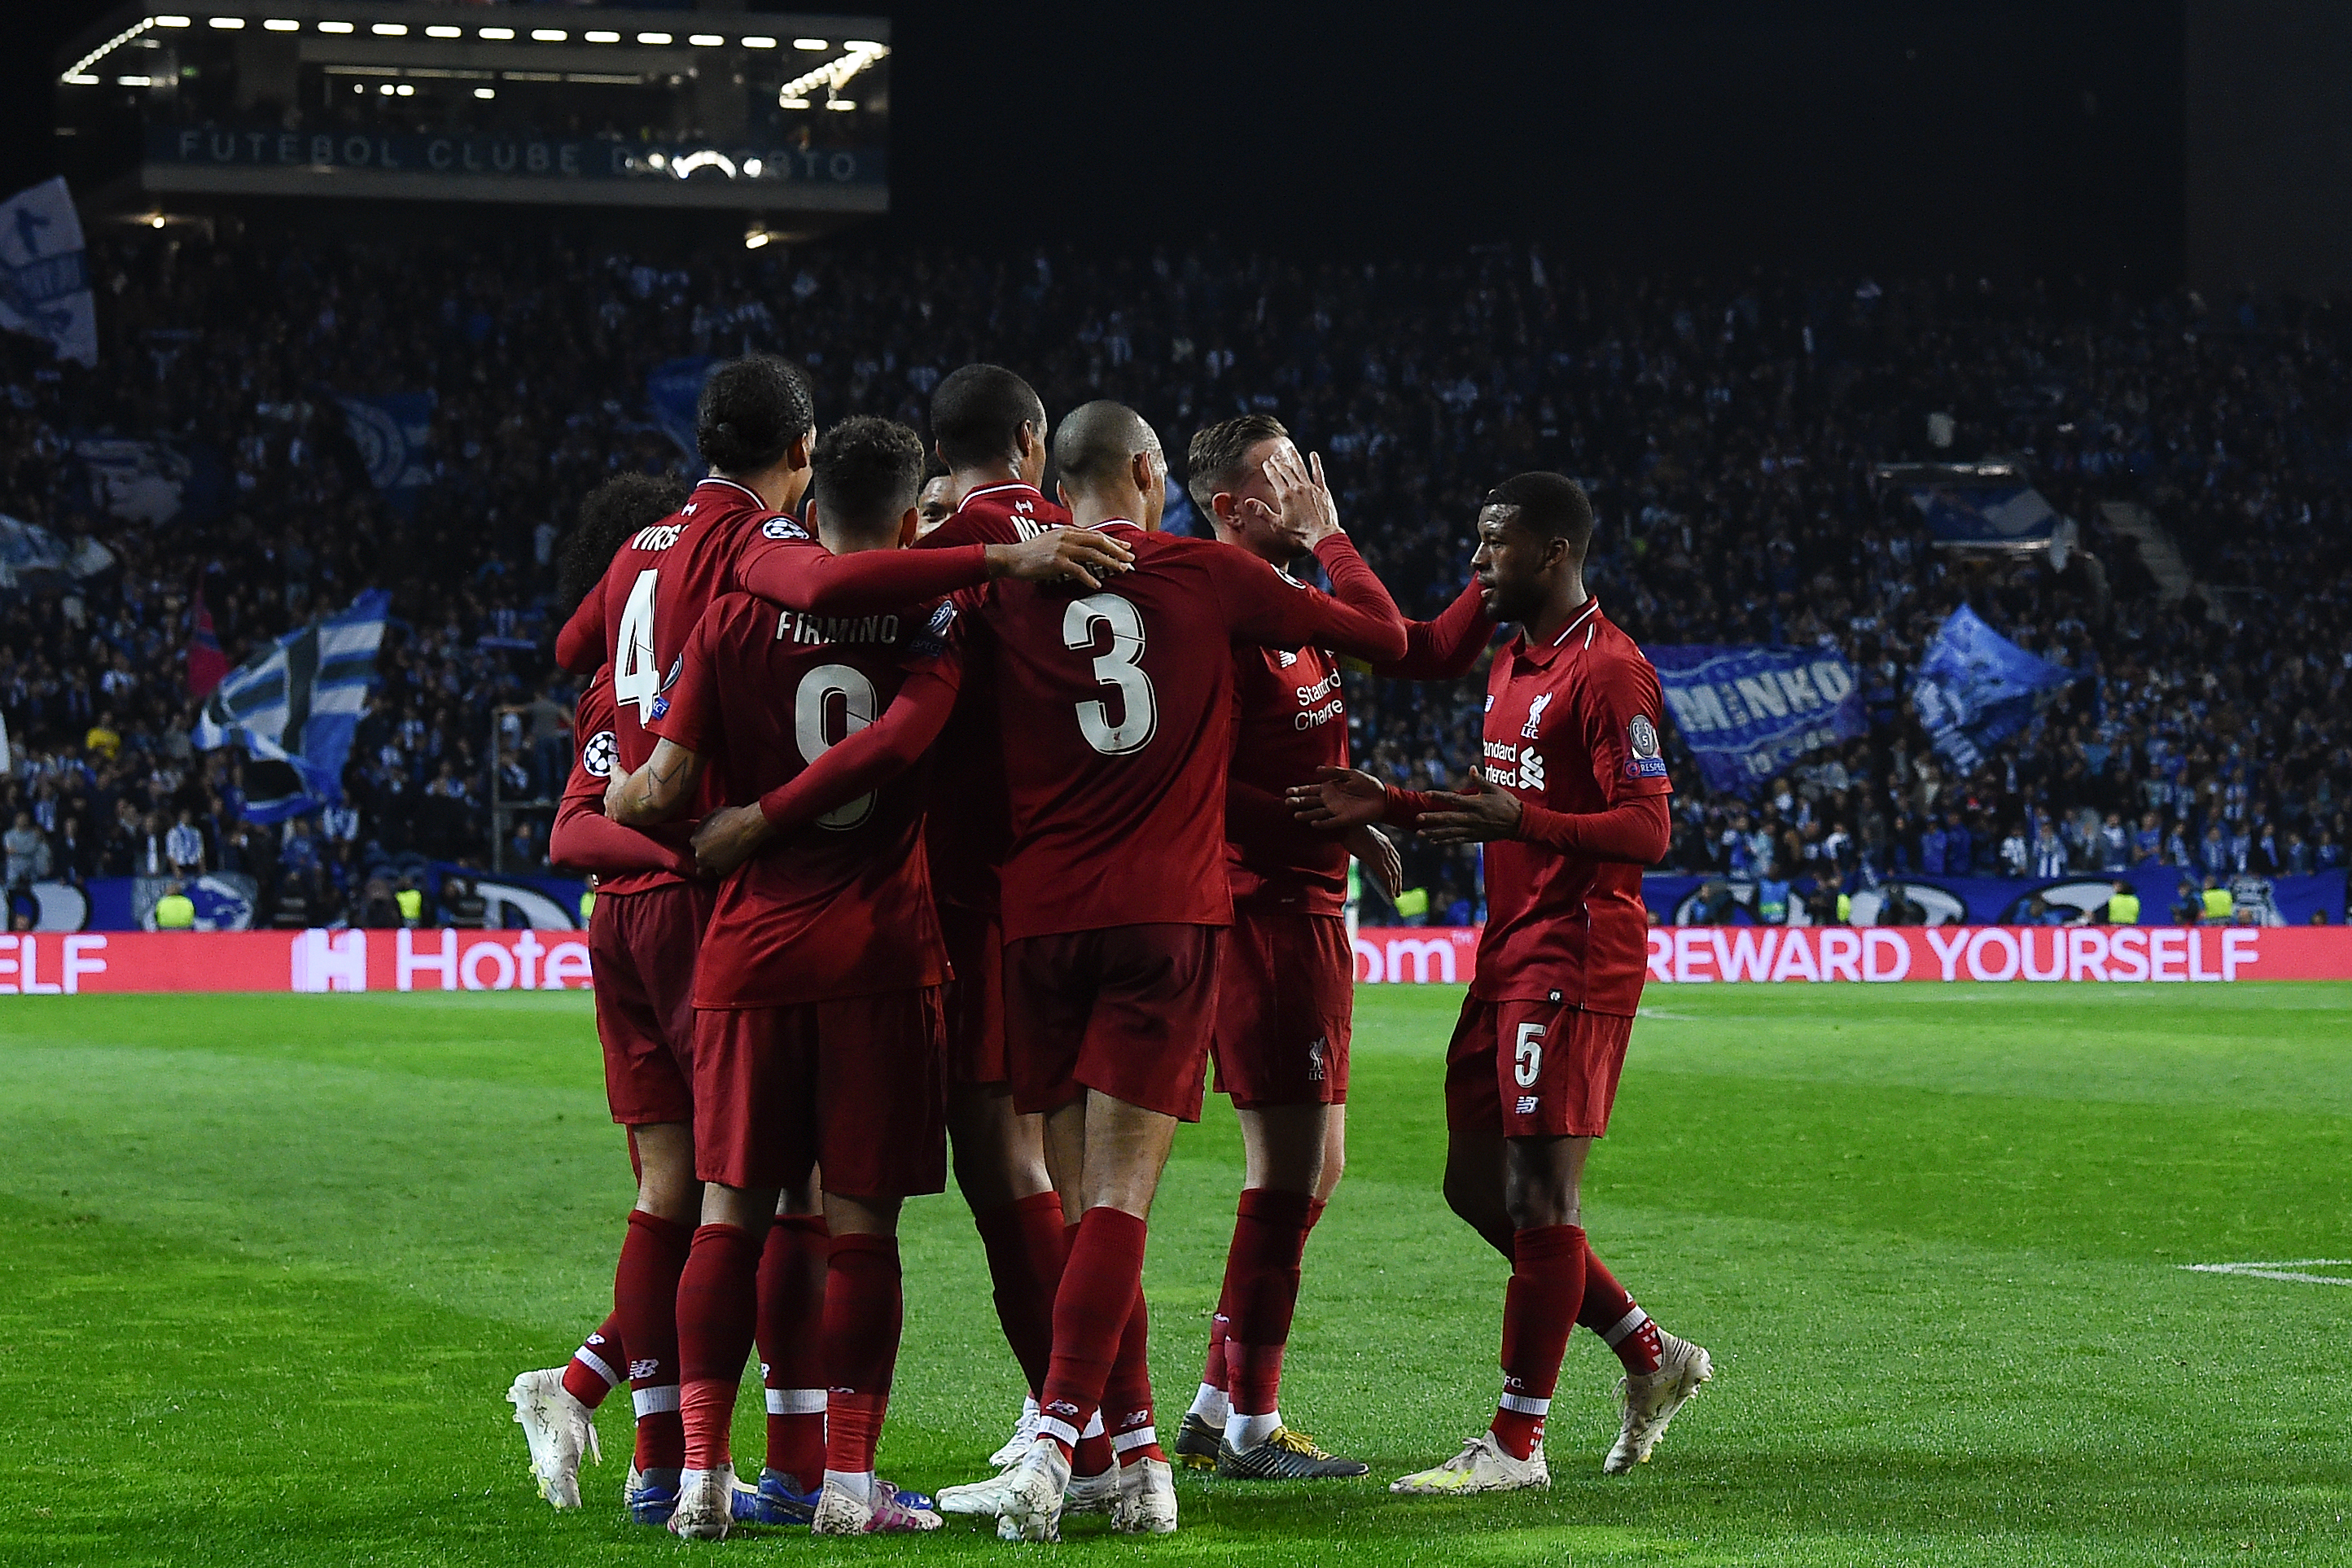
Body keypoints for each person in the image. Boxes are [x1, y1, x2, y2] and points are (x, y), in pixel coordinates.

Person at [931, 400, 1407, 1541]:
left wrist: (998, 547)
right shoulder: (1201, 574)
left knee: (1071, 1199)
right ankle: (1104, 1453)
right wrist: (1331, 531)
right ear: (1150, 472)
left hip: (1039, 918)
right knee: (1119, 1205)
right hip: (1170, 917)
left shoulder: (998, 580)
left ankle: (1105, 1451)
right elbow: (1393, 637)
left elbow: (871, 583)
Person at [729, 363, 1133, 1504]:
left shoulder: (852, 579)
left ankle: (762, 1464)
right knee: (1026, 1171)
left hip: (897, 910)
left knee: (786, 1192)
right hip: (1019, 898)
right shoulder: (1071, 550)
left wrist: (753, 818)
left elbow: (800, 591)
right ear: (1031, 438)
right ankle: (1098, 1440)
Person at [1292, 472, 1711, 1496]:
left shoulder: (1612, 674)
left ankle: (1515, 1445)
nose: (1478, 562)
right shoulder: (1513, 658)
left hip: (1576, 953)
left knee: (1540, 1196)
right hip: (1509, 950)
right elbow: (1496, 792)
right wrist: (1390, 797)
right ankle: (1651, 1354)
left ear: (1555, 552)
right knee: (1476, 1189)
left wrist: (1523, 826)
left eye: (1495, 545)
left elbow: (1650, 829)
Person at [607, 417, 959, 1537]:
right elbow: (909, 746)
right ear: (910, 522)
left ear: (812, 517)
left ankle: (703, 1476)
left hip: (748, 956)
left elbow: (659, 790)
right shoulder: (931, 618)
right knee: (860, 1232)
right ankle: (849, 1487)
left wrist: (620, 802)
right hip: (880, 958)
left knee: (727, 1217)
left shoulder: (732, 611)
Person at [1172, 412, 1406, 1481]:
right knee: (1287, 1169)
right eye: (1282, 478)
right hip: (1261, 909)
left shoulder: (1284, 607)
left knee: (1323, 1166)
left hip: (1308, 905)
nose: (1307, 487)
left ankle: (1219, 1399)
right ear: (1230, 505)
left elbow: (1391, 633)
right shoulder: (1219, 614)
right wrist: (1334, 537)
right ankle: (1252, 1428)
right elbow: (1204, 788)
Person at [507, 473, 717, 1519]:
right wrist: (683, 862)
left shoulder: (626, 669)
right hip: (670, 932)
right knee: (739, 1200)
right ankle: (680, 1455)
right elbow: (570, 829)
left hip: (633, 933)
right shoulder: (633, 686)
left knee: (679, 1199)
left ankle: (616, 1423)